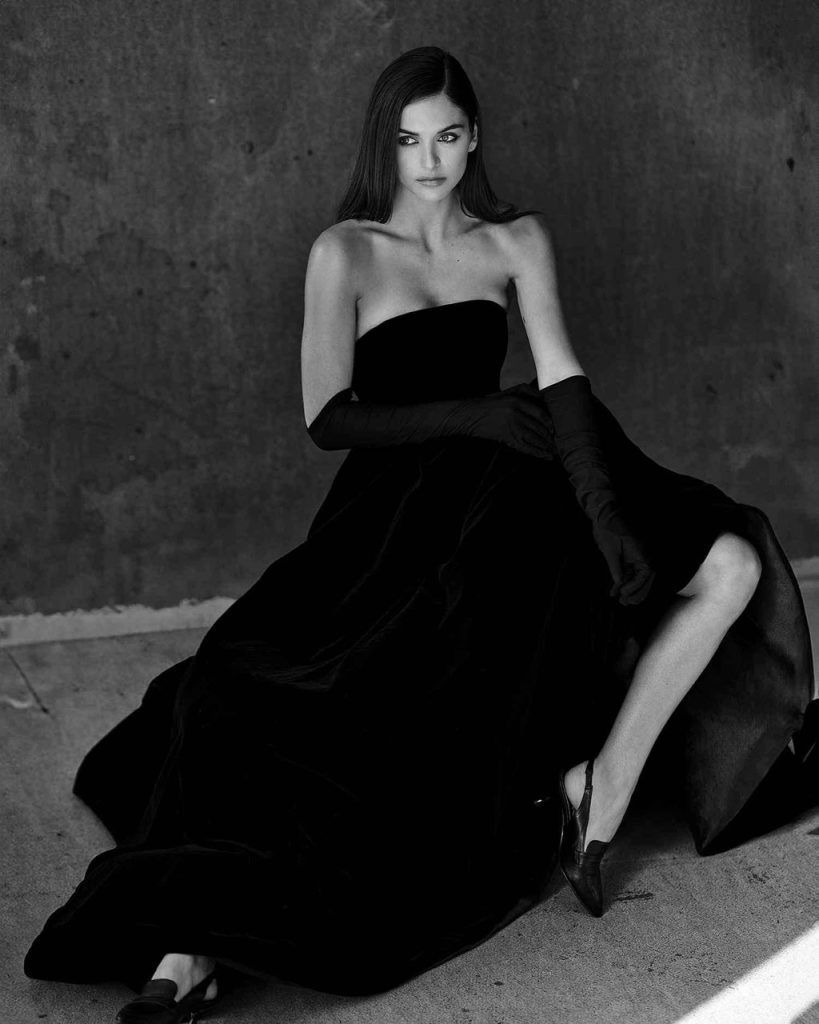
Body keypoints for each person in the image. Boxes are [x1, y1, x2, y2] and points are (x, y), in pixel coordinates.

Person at [23, 45, 818, 1024]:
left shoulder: (514, 239)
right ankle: (192, 945)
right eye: (409, 141)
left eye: (446, 137)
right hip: (388, 509)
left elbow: (563, 381)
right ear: (386, 147)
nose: (429, 160)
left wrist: (604, 511)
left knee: (727, 562)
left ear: (472, 137)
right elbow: (328, 416)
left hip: (512, 484)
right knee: (246, 690)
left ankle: (602, 793)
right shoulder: (346, 251)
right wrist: (471, 413)